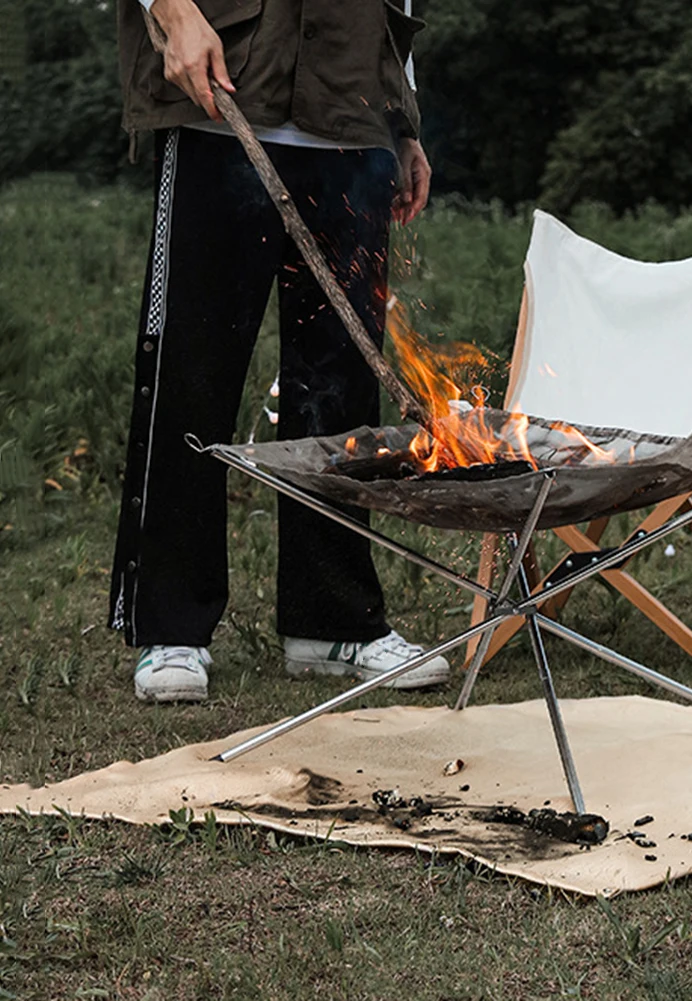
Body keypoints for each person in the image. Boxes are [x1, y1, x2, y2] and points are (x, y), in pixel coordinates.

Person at [110, 0, 445, 702]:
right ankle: (171, 627)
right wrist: (172, 11)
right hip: (221, 98)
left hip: (351, 118)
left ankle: (331, 622)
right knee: (192, 370)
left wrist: (401, 120)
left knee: (342, 384)